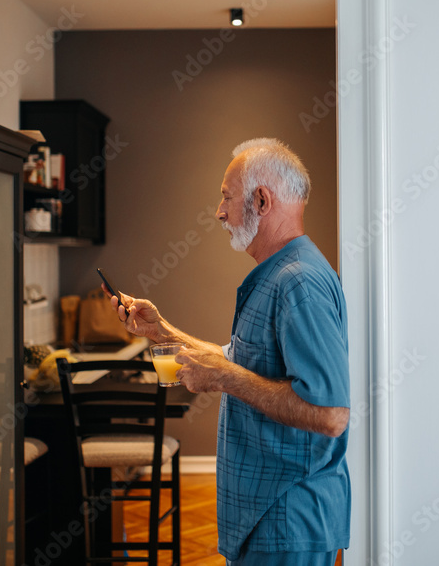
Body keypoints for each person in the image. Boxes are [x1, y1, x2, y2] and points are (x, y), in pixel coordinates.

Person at [107, 138, 350, 566]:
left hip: (287, 520)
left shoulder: (299, 283)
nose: (219, 212)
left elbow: (330, 414)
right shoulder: (279, 274)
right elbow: (238, 359)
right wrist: (160, 330)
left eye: (225, 196)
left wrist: (222, 378)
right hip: (268, 519)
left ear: (260, 199)